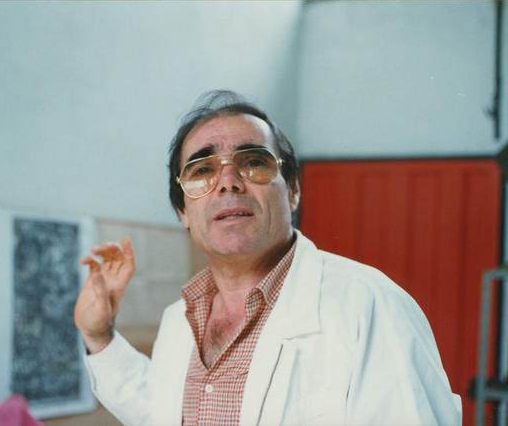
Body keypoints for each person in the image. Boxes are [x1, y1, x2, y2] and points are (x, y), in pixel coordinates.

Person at [74, 90, 462, 425]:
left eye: (253, 162)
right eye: (203, 169)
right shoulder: (180, 320)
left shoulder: (368, 304)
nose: (228, 182)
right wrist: (98, 336)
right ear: (183, 212)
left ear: (292, 190)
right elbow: (162, 412)